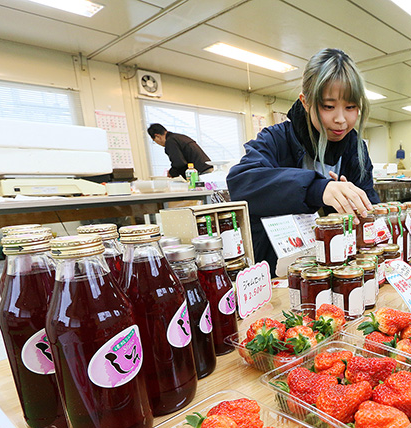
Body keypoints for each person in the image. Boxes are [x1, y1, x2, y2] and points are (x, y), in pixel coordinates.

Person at [227, 48, 378, 273]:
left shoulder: (356, 149)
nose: (341, 120)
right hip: (280, 271)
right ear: (305, 102)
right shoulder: (275, 139)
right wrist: (317, 188)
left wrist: (356, 211)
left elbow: (370, 207)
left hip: (340, 268)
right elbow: (241, 182)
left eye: (351, 107)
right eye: (328, 106)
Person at [147, 123, 213, 178]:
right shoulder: (179, 137)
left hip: (202, 173)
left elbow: (179, 163)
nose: (157, 143)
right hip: (207, 170)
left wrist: (171, 173)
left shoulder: (170, 141)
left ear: (158, 136)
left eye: (154, 141)